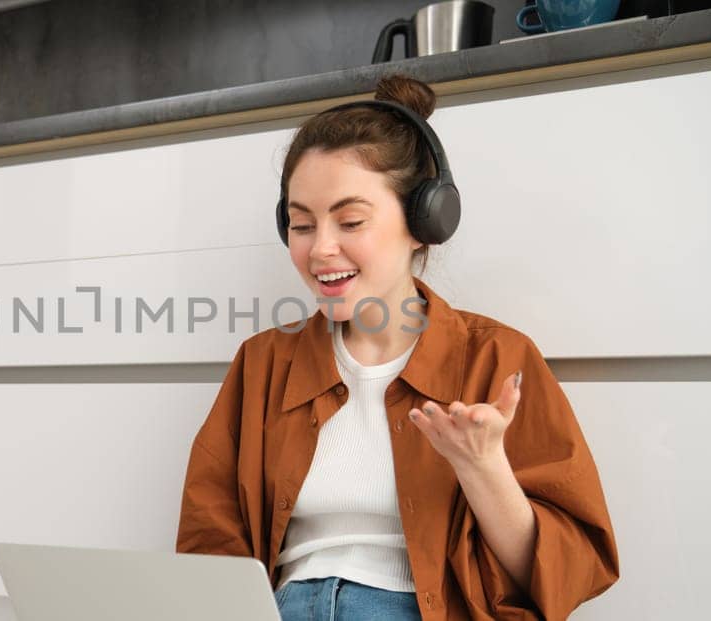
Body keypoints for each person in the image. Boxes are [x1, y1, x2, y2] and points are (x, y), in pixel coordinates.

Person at [175, 73, 619, 621]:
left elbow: (563, 576)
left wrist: (484, 470)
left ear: (423, 222)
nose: (321, 249)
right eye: (301, 224)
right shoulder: (263, 363)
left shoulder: (497, 360)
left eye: (351, 220)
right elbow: (207, 544)